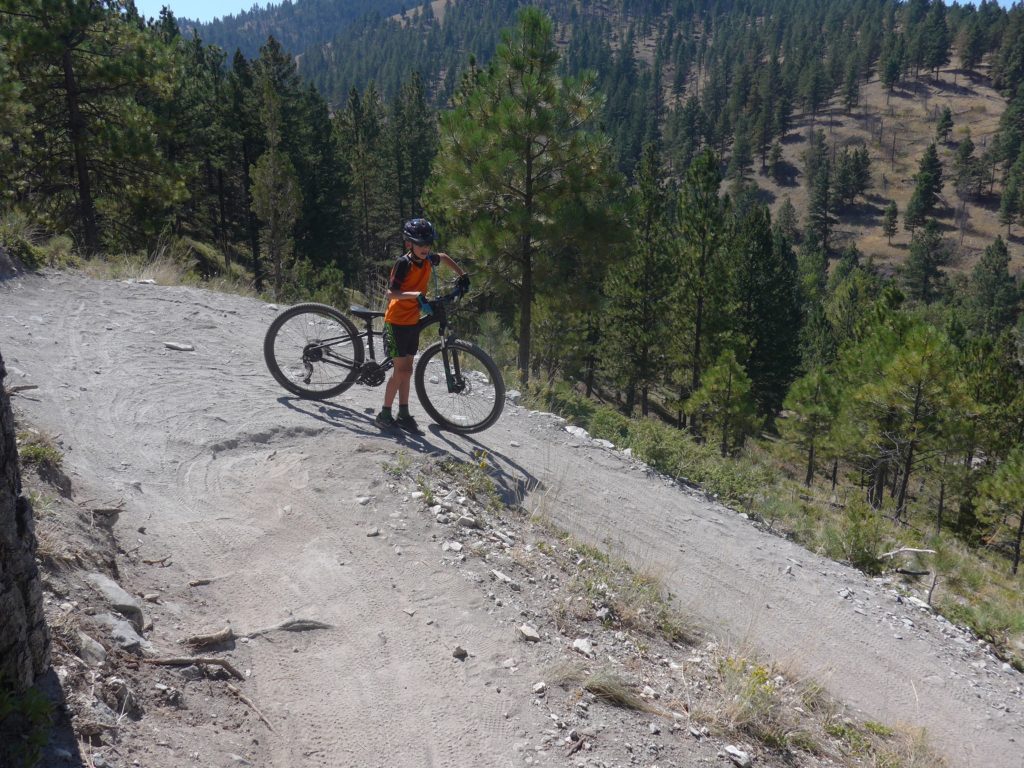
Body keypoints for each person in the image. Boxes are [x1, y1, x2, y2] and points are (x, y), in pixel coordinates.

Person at [375, 217, 467, 433]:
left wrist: (463, 276)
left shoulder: (427, 260)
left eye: (427, 244)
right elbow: (391, 293)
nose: (425, 248)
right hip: (396, 322)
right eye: (420, 244)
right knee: (401, 371)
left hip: (412, 322)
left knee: (408, 370)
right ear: (409, 244)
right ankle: (384, 414)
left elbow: (443, 257)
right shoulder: (404, 263)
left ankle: (404, 413)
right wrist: (415, 296)